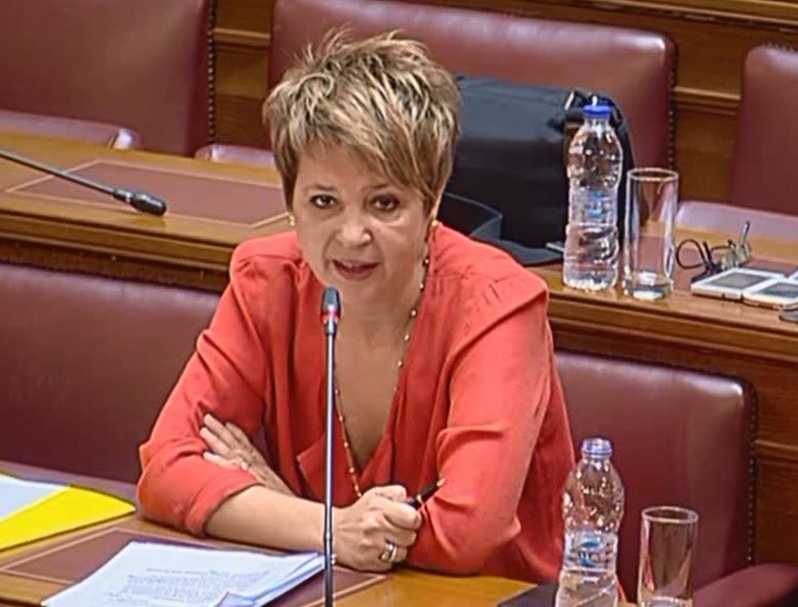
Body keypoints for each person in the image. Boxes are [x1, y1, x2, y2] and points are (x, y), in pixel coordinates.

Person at [137, 30, 575, 583]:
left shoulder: (498, 306)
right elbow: (166, 470)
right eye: (323, 201)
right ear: (290, 201)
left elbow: (466, 533)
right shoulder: (267, 281)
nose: (351, 235)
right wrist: (331, 527)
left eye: (384, 203)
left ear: (433, 201)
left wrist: (281, 511)